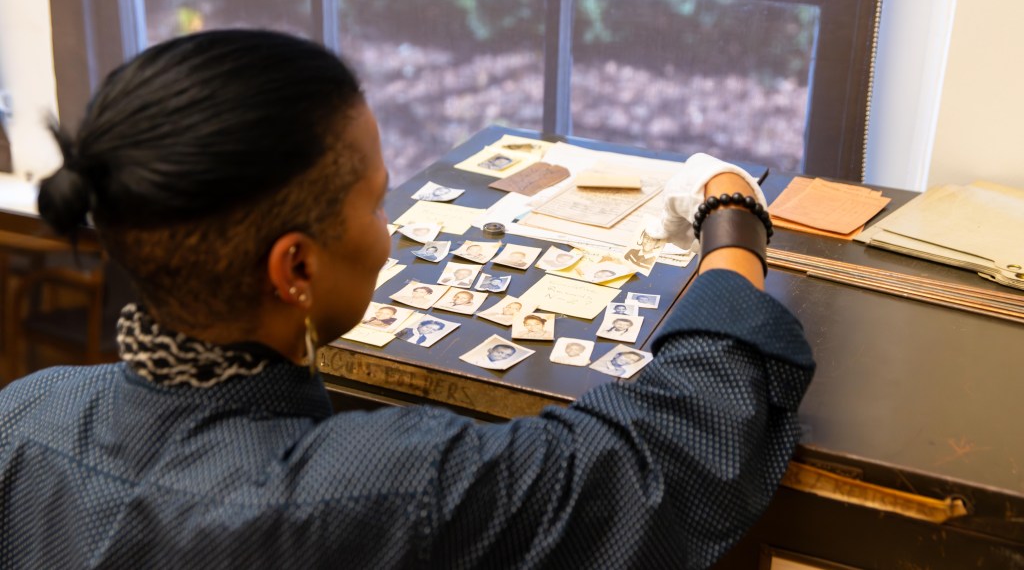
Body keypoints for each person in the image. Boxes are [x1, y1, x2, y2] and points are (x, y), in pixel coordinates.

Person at [0, 29, 814, 568]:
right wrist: (729, 219)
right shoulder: (383, 487)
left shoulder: (22, 416)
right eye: (378, 202)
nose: (389, 230)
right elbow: (663, 454)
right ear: (295, 269)